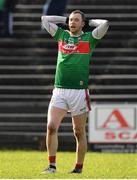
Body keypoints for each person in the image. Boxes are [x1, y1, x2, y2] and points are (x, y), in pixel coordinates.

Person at [41, 10, 109, 174]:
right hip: (60, 90)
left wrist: (90, 20)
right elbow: (44, 19)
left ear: (83, 23)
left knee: (78, 132)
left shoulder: (89, 38)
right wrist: (64, 19)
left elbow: (105, 23)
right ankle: (52, 166)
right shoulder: (61, 36)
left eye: (76, 20)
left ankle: (78, 167)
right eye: (71, 20)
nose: (72, 23)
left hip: (79, 92)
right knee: (51, 126)